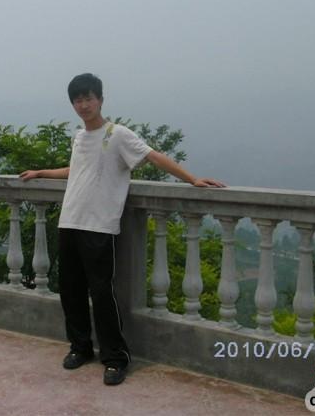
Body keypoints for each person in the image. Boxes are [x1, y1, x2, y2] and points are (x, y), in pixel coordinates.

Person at [19, 73, 226, 386]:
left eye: (89, 98)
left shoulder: (117, 134)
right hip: (70, 220)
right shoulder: (79, 137)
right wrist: (41, 172)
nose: (83, 105)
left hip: (99, 226)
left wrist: (191, 179)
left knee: (102, 294)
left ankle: (115, 358)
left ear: (100, 100)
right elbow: (77, 169)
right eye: (77, 100)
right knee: (71, 291)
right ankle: (80, 347)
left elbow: (152, 156)